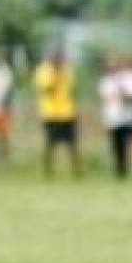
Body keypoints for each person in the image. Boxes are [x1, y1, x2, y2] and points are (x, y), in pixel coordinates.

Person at [33, 48, 80, 177]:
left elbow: (72, 89)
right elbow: (45, 89)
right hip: (50, 113)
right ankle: (48, 171)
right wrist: (56, 76)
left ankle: (76, 171)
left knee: (72, 143)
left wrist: (75, 108)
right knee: (50, 143)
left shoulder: (68, 70)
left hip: (67, 112)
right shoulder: (43, 70)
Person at [98, 55, 132, 179]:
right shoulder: (106, 80)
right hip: (113, 118)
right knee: (116, 145)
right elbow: (105, 98)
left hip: (128, 118)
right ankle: (120, 171)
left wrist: (120, 87)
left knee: (130, 144)